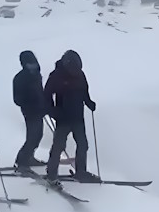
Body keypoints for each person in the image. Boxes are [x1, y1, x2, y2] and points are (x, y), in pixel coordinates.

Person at [44, 49, 101, 185]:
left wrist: (89, 102)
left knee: (83, 144)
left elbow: (84, 91)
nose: (77, 71)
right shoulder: (56, 75)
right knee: (58, 145)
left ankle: (81, 172)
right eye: (74, 68)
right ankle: (51, 174)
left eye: (78, 69)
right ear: (67, 64)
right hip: (63, 118)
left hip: (78, 117)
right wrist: (53, 112)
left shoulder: (80, 75)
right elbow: (46, 95)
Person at [12, 50, 46, 169]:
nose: (33, 65)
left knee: (38, 135)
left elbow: (40, 92)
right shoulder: (19, 78)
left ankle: (29, 157)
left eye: (33, 62)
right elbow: (17, 99)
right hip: (30, 112)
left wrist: (44, 104)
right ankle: (21, 160)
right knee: (32, 137)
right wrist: (31, 101)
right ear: (24, 64)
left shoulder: (37, 75)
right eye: (29, 63)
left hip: (40, 110)